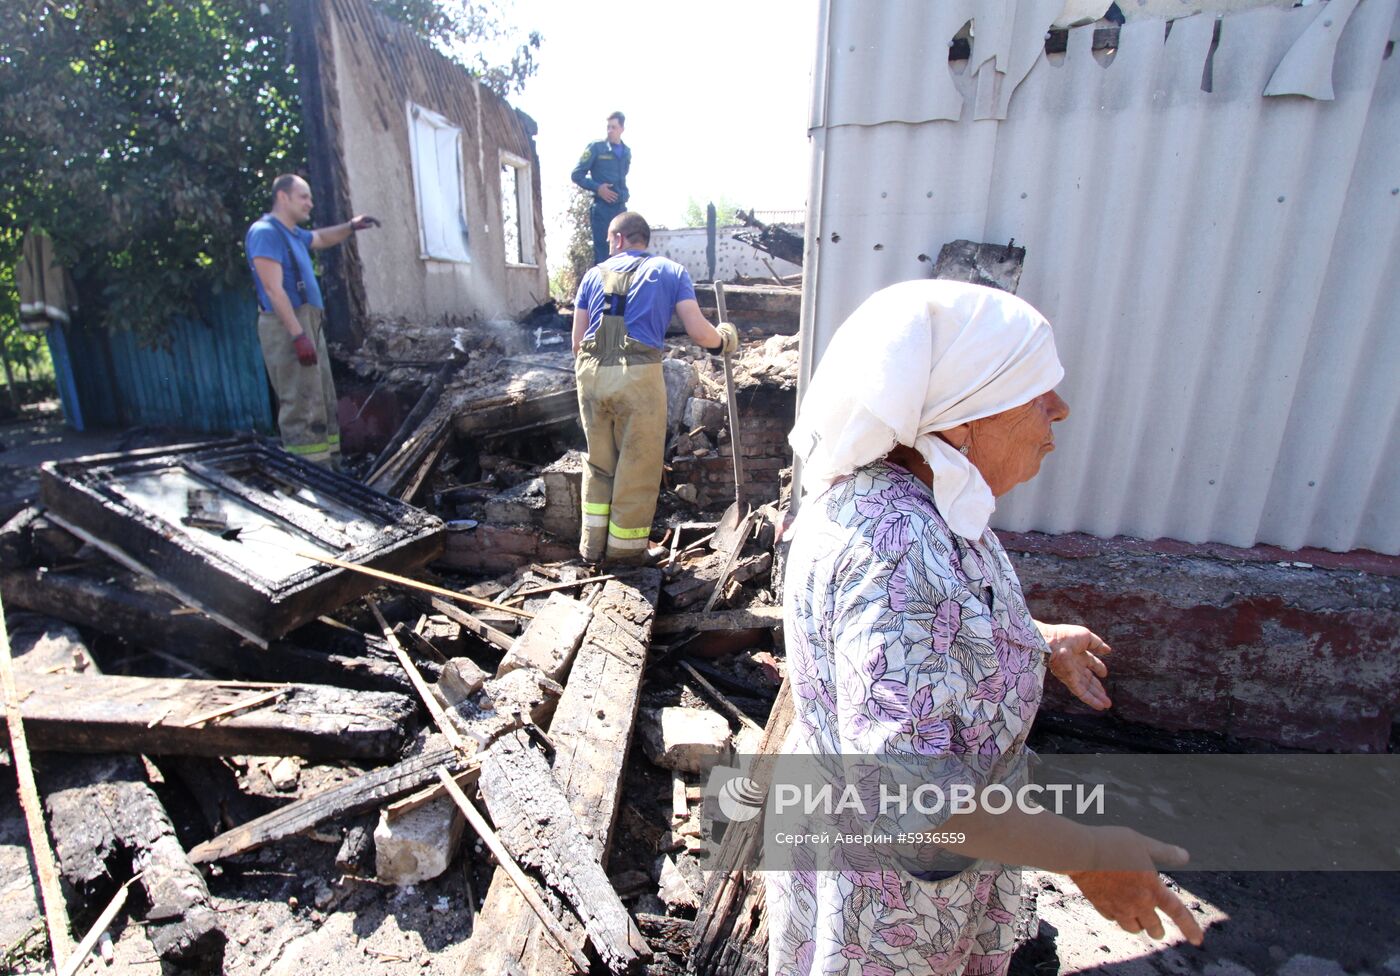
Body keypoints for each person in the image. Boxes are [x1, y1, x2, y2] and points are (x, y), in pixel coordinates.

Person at [770, 280, 1205, 975]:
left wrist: (1030, 638)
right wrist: (1091, 857)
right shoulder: (897, 553)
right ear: (961, 419)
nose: (1059, 408)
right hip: (893, 909)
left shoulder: (900, 496)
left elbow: (931, 629)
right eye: (1036, 393)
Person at [572, 211, 739, 563]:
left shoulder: (591, 275)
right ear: (642, 238)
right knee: (637, 464)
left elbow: (576, 342)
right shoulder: (670, 271)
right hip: (637, 376)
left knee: (600, 464)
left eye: (608, 242)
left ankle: (591, 548)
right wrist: (724, 340)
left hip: (590, 375)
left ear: (618, 239)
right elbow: (699, 331)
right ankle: (625, 555)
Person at [245, 174, 378, 469]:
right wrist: (297, 334)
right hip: (288, 327)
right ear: (283, 197)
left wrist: (350, 226)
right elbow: (272, 289)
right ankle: (309, 477)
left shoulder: (292, 233)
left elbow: (320, 238)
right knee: (302, 404)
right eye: (303, 196)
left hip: (308, 324)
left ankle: (330, 470)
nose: (310, 203)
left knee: (322, 398)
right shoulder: (266, 232)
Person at [571, 111, 631, 265]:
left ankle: (620, 289)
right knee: (604, 256)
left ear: (622, 129)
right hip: (602, 210)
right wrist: (598, 188)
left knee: (623, 254)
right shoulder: (596, 148)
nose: (610, 131)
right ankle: (604, 289)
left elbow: (623, 176)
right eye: (608, 127)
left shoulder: (626, 152)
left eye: (614, 127)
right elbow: (577, 174)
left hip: (620, 209)